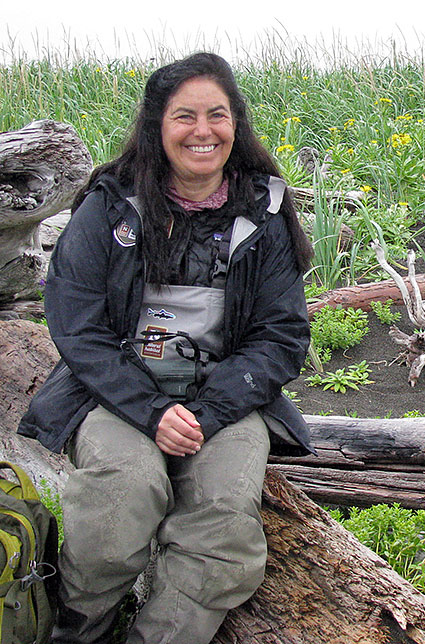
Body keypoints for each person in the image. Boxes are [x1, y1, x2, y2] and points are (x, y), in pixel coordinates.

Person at [18, 52, 314, 644]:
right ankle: (81, 625)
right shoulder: (110, 205)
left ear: (237, 125)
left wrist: (205, 413)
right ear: (157, 125)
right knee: (123, 491)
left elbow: (280, 336)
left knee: (226, 527)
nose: (202, 132)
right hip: (117, 396)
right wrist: (152, 413)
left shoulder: (266, 212)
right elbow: (78, 327)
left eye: (217, 115)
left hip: (225, 406)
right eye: (185, 116)